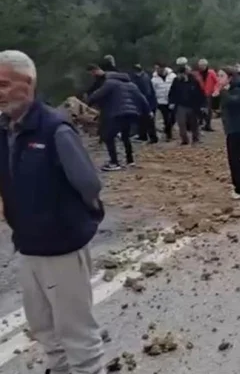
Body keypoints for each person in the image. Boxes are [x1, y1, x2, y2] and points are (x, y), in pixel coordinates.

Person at [0, 50, 106, 374]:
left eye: (3, 84)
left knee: (77, 334)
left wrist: (74, 222)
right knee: (44, 327)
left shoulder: (55, 130)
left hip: (62, 247)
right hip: (28, 245)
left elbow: (89, 186)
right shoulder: (5, 130)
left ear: (28, 83)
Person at [87, 64, 149, 171]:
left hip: (117, 113)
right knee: (125, 136)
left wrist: (88, 102)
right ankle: (130, 160)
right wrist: (147, 112)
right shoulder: (131, 85)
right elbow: (142, 99)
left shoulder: (110, 83)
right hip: (130, 113)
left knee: (108, 136)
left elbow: (97, 95)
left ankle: (114, 162)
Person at [216, 67, 240, 199]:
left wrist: (223, 92)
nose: (218, 78)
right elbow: (216, 106)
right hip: (232, 129)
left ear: (230, 78)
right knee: (233, 159)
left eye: (221, 76)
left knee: (234, 159)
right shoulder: (227, 91)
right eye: (218, 76)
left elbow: (233, 102)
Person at [168, 64, 205, 145]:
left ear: (184, 74)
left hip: (192, 106)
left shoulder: (194, 81)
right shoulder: (176, 81)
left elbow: (200, 93)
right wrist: (171, 102)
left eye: (180, 74)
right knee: (181, 124)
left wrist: (202, 105)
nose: (179, 76)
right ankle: (184, 140)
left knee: (194, 123)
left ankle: (196, 138)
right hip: (180, 105)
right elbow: (172, 92)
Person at [130, 64, 158, 143]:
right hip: (143, 102)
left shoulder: (144, 78)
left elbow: (147, 93)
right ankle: (143, 135)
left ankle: (153, 137)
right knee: (141, 120)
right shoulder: (139, 77)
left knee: (149, 121)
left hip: (148, 103)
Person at [151, 62, 176, 141]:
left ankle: (167, 129)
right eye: (156, 68)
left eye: (158, 68)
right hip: (161, 101)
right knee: (166, 118)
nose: (157, 70)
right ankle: (169, 135)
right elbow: (153, 91)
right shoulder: (154, 79)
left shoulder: (172, 76)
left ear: (163, 68)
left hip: (172, 100)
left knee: (173, 118)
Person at [193, 58, 219, 132]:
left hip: (208, 93)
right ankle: (201, 122)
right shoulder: (196, 74)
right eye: (200, 65)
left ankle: (208, 125)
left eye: (203, 65)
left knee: (208, 109)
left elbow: (216, 81)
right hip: (199, 94)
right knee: (199, 109)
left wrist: (215, 90)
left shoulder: (211, 72)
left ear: (206, 65)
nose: (201, 67)